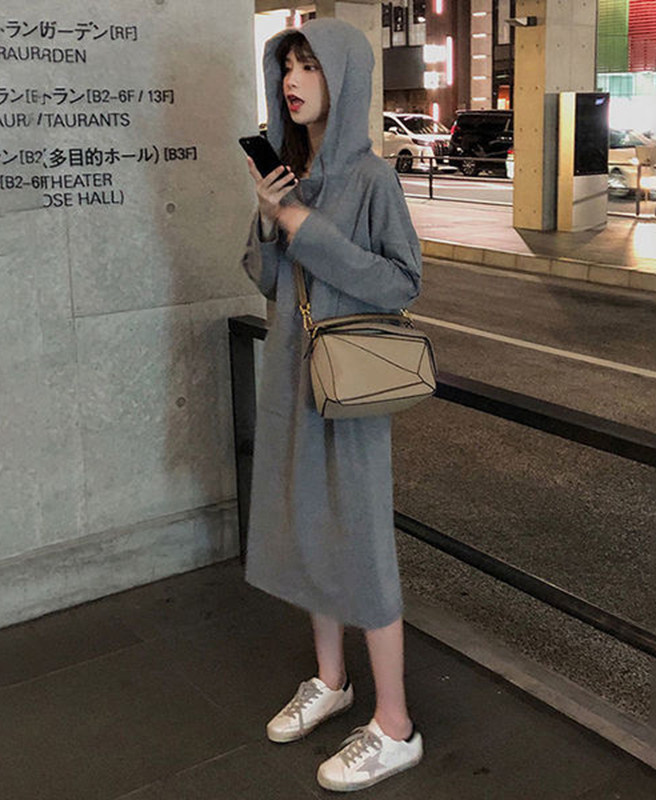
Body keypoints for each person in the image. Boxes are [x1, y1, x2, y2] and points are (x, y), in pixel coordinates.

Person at [241, 18, 424, 792]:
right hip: (292, 382)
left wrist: (307, 229)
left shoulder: (371, 179)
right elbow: (265, 278)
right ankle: (330, 680)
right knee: (307, 527)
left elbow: (402, 282)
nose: (293, 79)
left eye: (310, 66)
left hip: (350, 387)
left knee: (363, 544)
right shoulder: (292, 172)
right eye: (288, 65)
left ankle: (396, 724)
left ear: (343, 79)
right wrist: (270, 218)